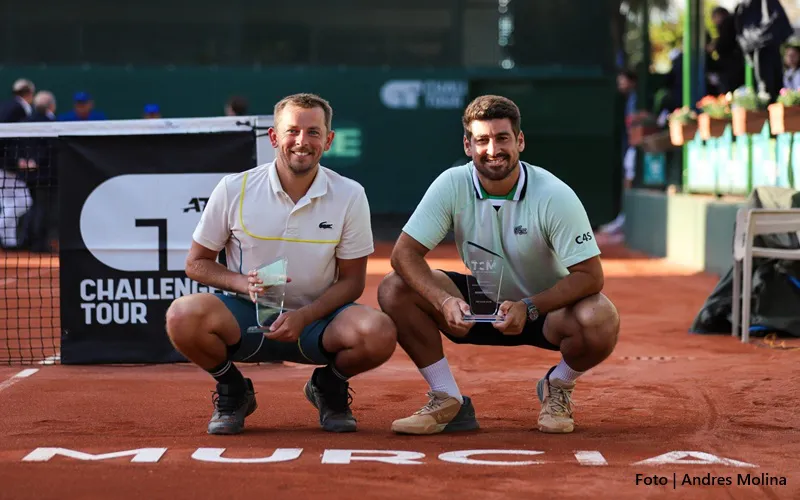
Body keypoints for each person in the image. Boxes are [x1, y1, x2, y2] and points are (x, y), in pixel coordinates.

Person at [378, 95, 620, 435]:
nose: (493, 149)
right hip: (478, 307)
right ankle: (447, 398)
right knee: (394, 287)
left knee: (600, 317)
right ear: (468, 145)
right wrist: (443, 301)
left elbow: (591, 276)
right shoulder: (451, 184)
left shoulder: (554, 194)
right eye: (482, 140)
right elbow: (404, 254)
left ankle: (558, 385)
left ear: (519, 141)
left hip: (546, 312)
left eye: (502, 138)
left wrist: (529, 306)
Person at [166, 93, 397, 435]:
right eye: (292, 131)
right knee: (181, 316)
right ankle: (232, 389)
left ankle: (328, 386)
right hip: (246, 319)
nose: (302, 141)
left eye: (314, 132)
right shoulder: (233, 188)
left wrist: (305, 316)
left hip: (318, 323)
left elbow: (352, 282)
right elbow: (196, 264)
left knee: (379, 332)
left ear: (328, 140)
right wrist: (242, 283)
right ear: (274, 137)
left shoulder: (350, 194)